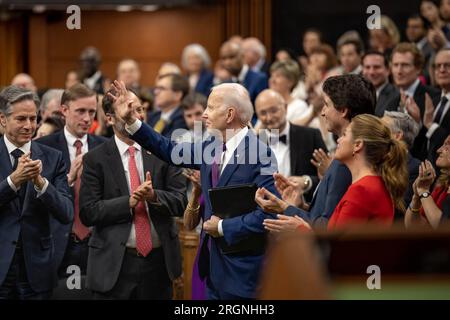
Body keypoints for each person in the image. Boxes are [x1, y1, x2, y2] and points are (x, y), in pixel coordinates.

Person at [109, 80, 278, 300]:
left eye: (211, 107)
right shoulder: (211, 145)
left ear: (229, 115)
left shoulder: (261, 154)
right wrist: (132, 122)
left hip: (243, 274)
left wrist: (224, 226)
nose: (204, 114)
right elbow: (169, 150)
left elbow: (270, 214)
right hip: (213, 268)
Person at [79, 88, 187, 299]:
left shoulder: (163, 151)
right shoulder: (95, 159)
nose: (136, 115)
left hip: (158, 263)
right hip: (114, 264)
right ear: (110, 119)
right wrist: (129, 201)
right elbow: (88, 212)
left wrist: (153, 196)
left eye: (139, 109)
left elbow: (180, 201)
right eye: (128, 110)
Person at [255, 74, 376, 229]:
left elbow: (326, 227)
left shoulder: (349, 159)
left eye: (326, 104)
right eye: (262, 113)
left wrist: (285, 208)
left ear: (343, 111)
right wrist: (301, 206)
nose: (323, 112)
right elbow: (324, 214)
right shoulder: (347, 156)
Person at [259, 114, 408, 230]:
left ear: (357, 145)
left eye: (344, 135)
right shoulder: (367, 184)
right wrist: (285, 207)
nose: (338, 140)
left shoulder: (362, 189)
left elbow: (336, 247)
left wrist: (298, 228)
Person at [0, 86, 73, 299]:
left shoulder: (53, 157)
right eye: (21, 119)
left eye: (33, 119)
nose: (29, 126)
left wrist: (41, 183)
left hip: (37, 271)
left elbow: (66, 213)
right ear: (3, 119)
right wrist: (13, 181)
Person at [36, 84, 106, 281]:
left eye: (92, 112)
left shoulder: (106, 148)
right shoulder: (42, 148)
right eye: (80, 111)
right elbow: (36, 200)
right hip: (58, 244)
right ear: (64, 110)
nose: (86, 118)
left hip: (98, 244)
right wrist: (68, 179)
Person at [255, 89, 327, 201]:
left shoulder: (310, 136)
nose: (269, 118)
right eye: (263, 113)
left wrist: (306, 181)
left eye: (273, 110)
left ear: (285, 107)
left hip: (304, 209)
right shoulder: (255, 143)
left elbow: (329, 176)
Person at [382, 111, 421, 218]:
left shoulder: (415, 168)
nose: (376, 133)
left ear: (397, 136)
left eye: (382, 129)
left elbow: (401, 209)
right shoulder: (376, 161)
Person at [406, 135, 450, 229]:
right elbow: (411, 226)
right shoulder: (442, 186)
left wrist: (424, 191)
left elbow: (443, 227)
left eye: (447, 145)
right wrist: (416, 198)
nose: (439, 150)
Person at [147, 73, 189, 139]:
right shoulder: (152, 116)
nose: (155, 92)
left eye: (162, 88)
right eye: (156, 88)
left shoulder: (184, 118)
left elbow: (167, 146)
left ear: (177, 95)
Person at [362, 50, 400, 116]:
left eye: (377, 67)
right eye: (367, 67)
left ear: (388, 70)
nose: (371, 72)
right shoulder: (358, 94)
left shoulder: (396, 95)